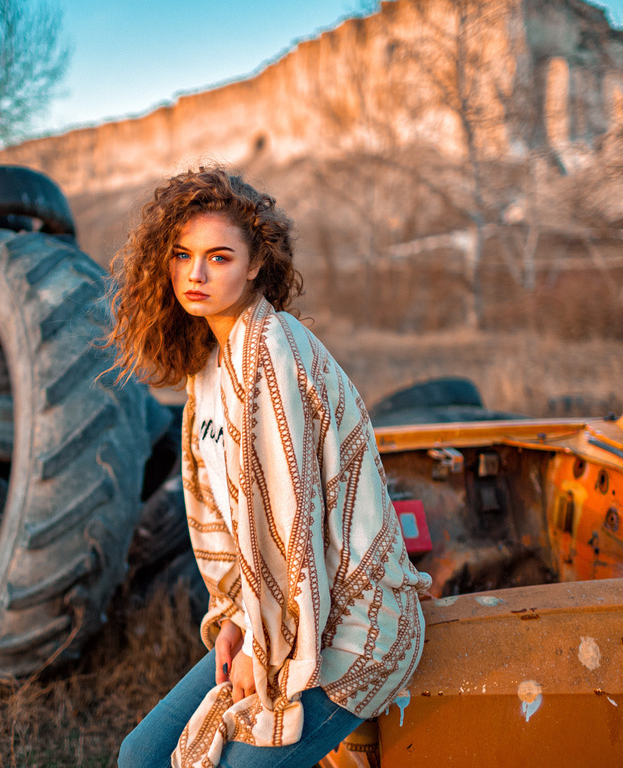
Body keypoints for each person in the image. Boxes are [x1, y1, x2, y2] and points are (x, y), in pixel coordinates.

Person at [107, 166, 432, 768]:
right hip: (268, 619)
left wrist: (264, 647)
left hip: (347, 630)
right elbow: (222, 524)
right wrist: (233, 621)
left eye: (219, 257)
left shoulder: (273, 350)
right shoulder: (206, 366)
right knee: (139, 757)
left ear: (256, 264)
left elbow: (293, 531)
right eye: (182, 255)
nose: (196, 275)